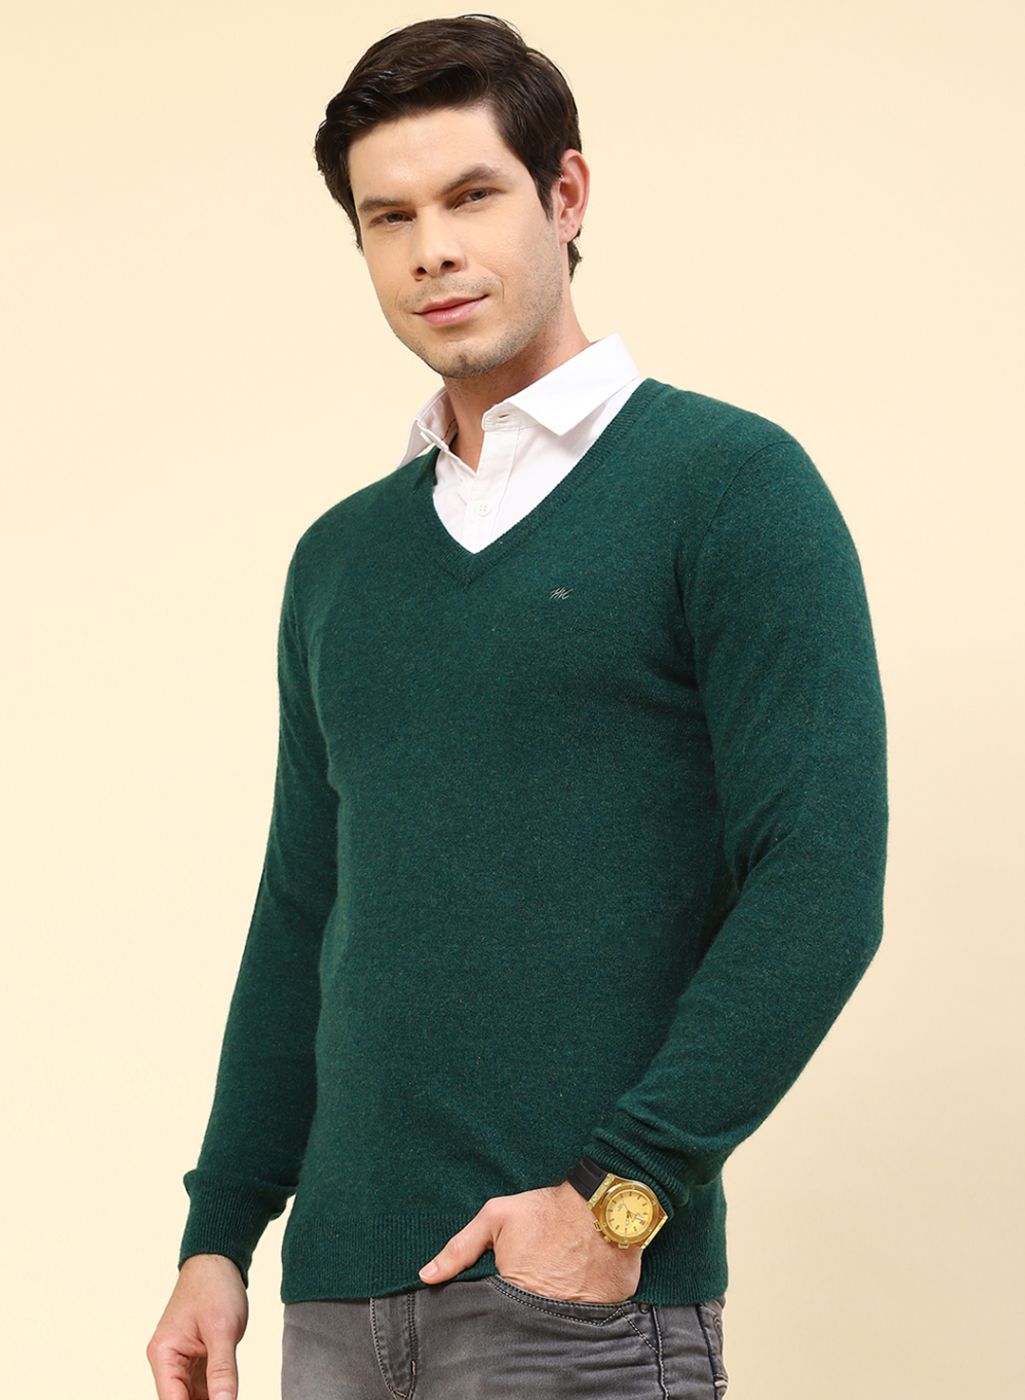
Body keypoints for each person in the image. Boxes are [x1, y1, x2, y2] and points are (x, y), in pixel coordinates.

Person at [146, 14, 888, 1399]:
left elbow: (821, 878)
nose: (430, 248)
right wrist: (219, 1236)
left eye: (471, 196)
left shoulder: (728, 487)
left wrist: (621, 1201)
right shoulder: (340, 560)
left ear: (566, 194)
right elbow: (303, 909)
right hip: (332, 1308)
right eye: (389, 217)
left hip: (576, 1307)